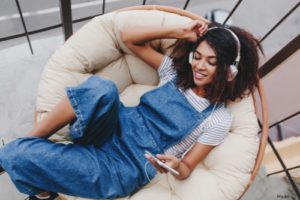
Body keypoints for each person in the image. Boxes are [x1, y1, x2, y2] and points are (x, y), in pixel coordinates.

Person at [0, 19, 262, 200]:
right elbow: (128, 38)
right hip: (110, 126)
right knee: (102, 88)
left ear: (229, 72)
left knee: (13, 155)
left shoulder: (217, 118)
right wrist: (182, 32)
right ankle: (33, 139)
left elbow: (186, 170)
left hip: (123, 166)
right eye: (198, 56)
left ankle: (42, 192)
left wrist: (174, 165)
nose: (199, 66)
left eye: (211, 62)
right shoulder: (174, 74)